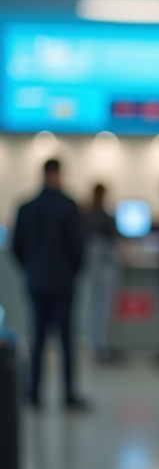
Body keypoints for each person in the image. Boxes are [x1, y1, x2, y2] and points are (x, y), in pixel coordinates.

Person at [11, 159, 87, 410]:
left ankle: (33, 393)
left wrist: (31, 269)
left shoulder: (26, 207)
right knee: (66, 340)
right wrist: (72, 272)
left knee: (38, 337)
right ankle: (68, 394)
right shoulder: (69, 206)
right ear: (59, 174)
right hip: (63, 283)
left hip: (37, 281)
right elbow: (78, 247)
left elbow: (17, 248)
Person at [84, 183, 123, 362]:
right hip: (105, 268)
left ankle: (96, 344)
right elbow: (111, 243)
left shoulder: (88, 214)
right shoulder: (104, 217)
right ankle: (102, 346)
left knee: (95, 308)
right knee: (103, 308)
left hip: (92, 270)